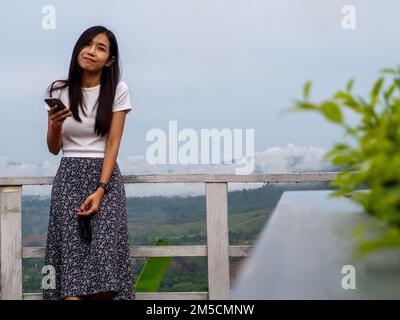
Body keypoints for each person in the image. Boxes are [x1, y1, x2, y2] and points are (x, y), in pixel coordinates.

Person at [42, 25, 135, 300]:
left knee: (104, 268)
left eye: (101, 48)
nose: (91, 52)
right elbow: (54, 148)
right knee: (72, 265)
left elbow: (113, 144)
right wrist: (55, 126)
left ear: (110, 61)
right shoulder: (58, 89)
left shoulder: (118, 89)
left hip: (105, 181)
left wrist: (101, 189)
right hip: (68, 176)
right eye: (87, 44)